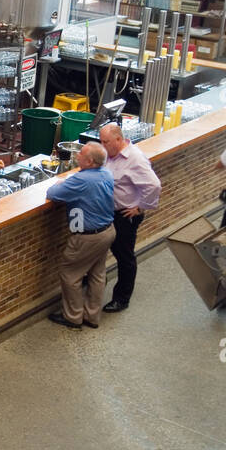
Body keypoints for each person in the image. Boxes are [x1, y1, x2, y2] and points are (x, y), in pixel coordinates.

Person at [44, 142, 115, 329]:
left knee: (70, 274)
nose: (76, 156)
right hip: (107, 231)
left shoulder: (82, 180)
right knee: (97, 274)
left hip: (87, 238)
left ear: (90, 161)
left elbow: (52, 193)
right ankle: (92, 316)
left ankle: (73, 317)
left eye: (81, 154)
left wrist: (63, 183)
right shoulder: (106, 173)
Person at [98, 123, 160, 313]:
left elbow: (154, 185)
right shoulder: (110, 154)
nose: (102, 145)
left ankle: (122, 298)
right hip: (108, 212)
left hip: (124, 216)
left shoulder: (135, 159)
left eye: (105, 141)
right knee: (99, 250)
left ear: (119, 139)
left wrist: (140, 207)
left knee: (124, 256)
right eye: (101, 141)